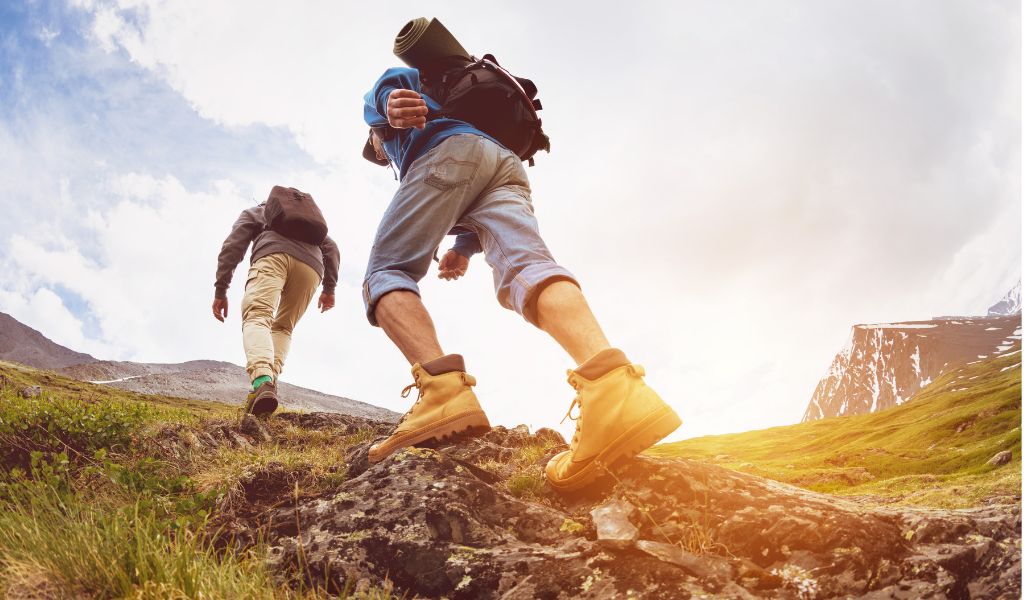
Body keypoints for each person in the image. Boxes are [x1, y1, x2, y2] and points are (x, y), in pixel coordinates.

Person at [360, 21, 681, 492]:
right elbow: (470, 189)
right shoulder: (467, 120)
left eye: (375, 151)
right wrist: (463, 249)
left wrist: (386, 108)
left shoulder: (391, 123)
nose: (379, 153)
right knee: (528, 267)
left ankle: (443, 392)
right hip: (503, 163)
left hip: (448, 152)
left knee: (386, 271)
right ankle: (613, 385)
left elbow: (385, 90)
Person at [212, 197, 339, 416]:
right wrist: (329, 289)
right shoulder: (310, 226)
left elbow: (233, 245)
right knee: (283, 328)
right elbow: (332, 248)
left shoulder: (257, 213)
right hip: (311, 268)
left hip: (273, 256)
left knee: (257, 317)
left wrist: (221, 289)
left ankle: (263, 382)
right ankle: (269, 385)